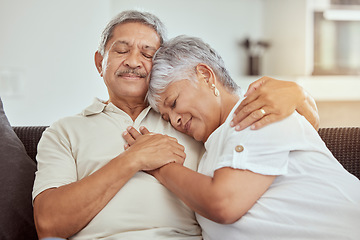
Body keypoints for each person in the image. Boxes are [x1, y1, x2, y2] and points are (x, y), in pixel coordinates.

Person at [33, 10, 320, 239]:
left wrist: (299, 94)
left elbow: (277, 133)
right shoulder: (63, 132)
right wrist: (133, 159)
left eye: (147, 54)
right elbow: (48, 224)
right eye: (121, 51)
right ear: (100, 62)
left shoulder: (192, 121)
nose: (134, 61)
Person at [123, 35, 360, 239]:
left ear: (205, 75)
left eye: (174, 103)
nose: (174, 120)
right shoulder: (209, 154)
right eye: (166, 117)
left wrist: (160, 165)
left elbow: (223, 204)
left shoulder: (256, 110)